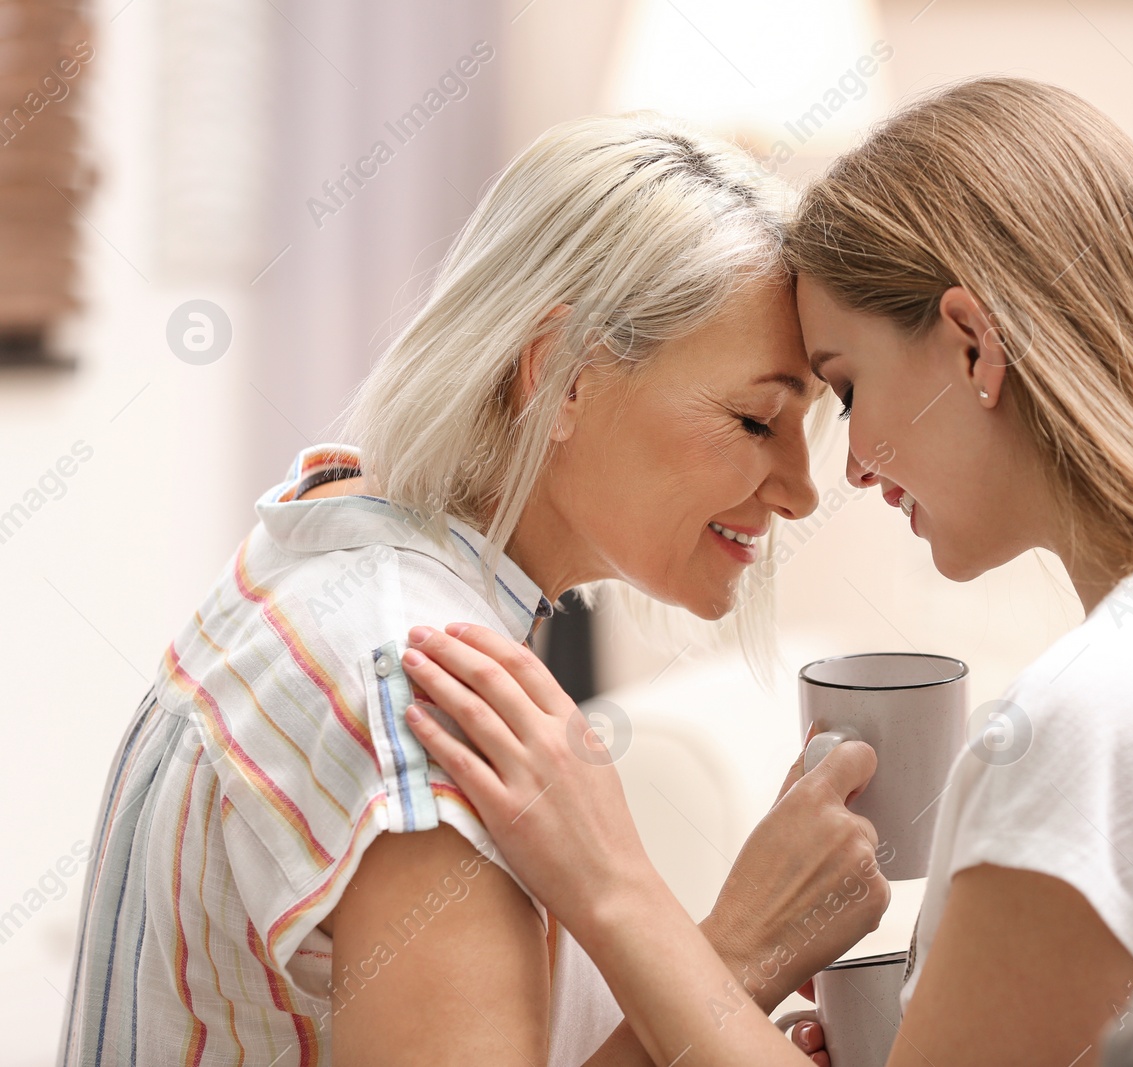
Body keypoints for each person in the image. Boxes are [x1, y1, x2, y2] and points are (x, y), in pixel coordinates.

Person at [400, 78, 1133, 1067]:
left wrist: (614, 886)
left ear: (971, 342)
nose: (842, 467)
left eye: (844, 388)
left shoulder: (1098, 719)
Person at [57, 113, 889, 1067]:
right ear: (562, 375)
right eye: (754, 419)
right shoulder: (425, 690)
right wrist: (741, 954)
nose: (801, 488)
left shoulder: (309, 547)